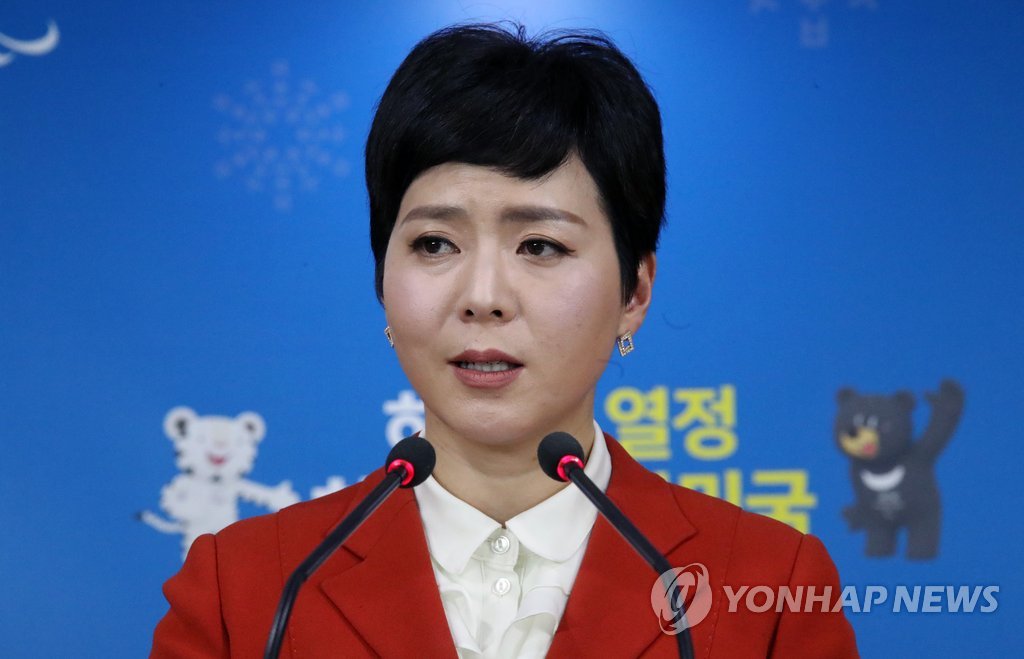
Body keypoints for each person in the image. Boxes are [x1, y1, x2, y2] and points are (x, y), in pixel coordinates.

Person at [152, 23, 858, 658]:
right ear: (382, 284)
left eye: (540, 246)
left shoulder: (767, 585)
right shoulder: (247, 589)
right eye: (435, 243)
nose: (483, 295)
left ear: (634, 291)